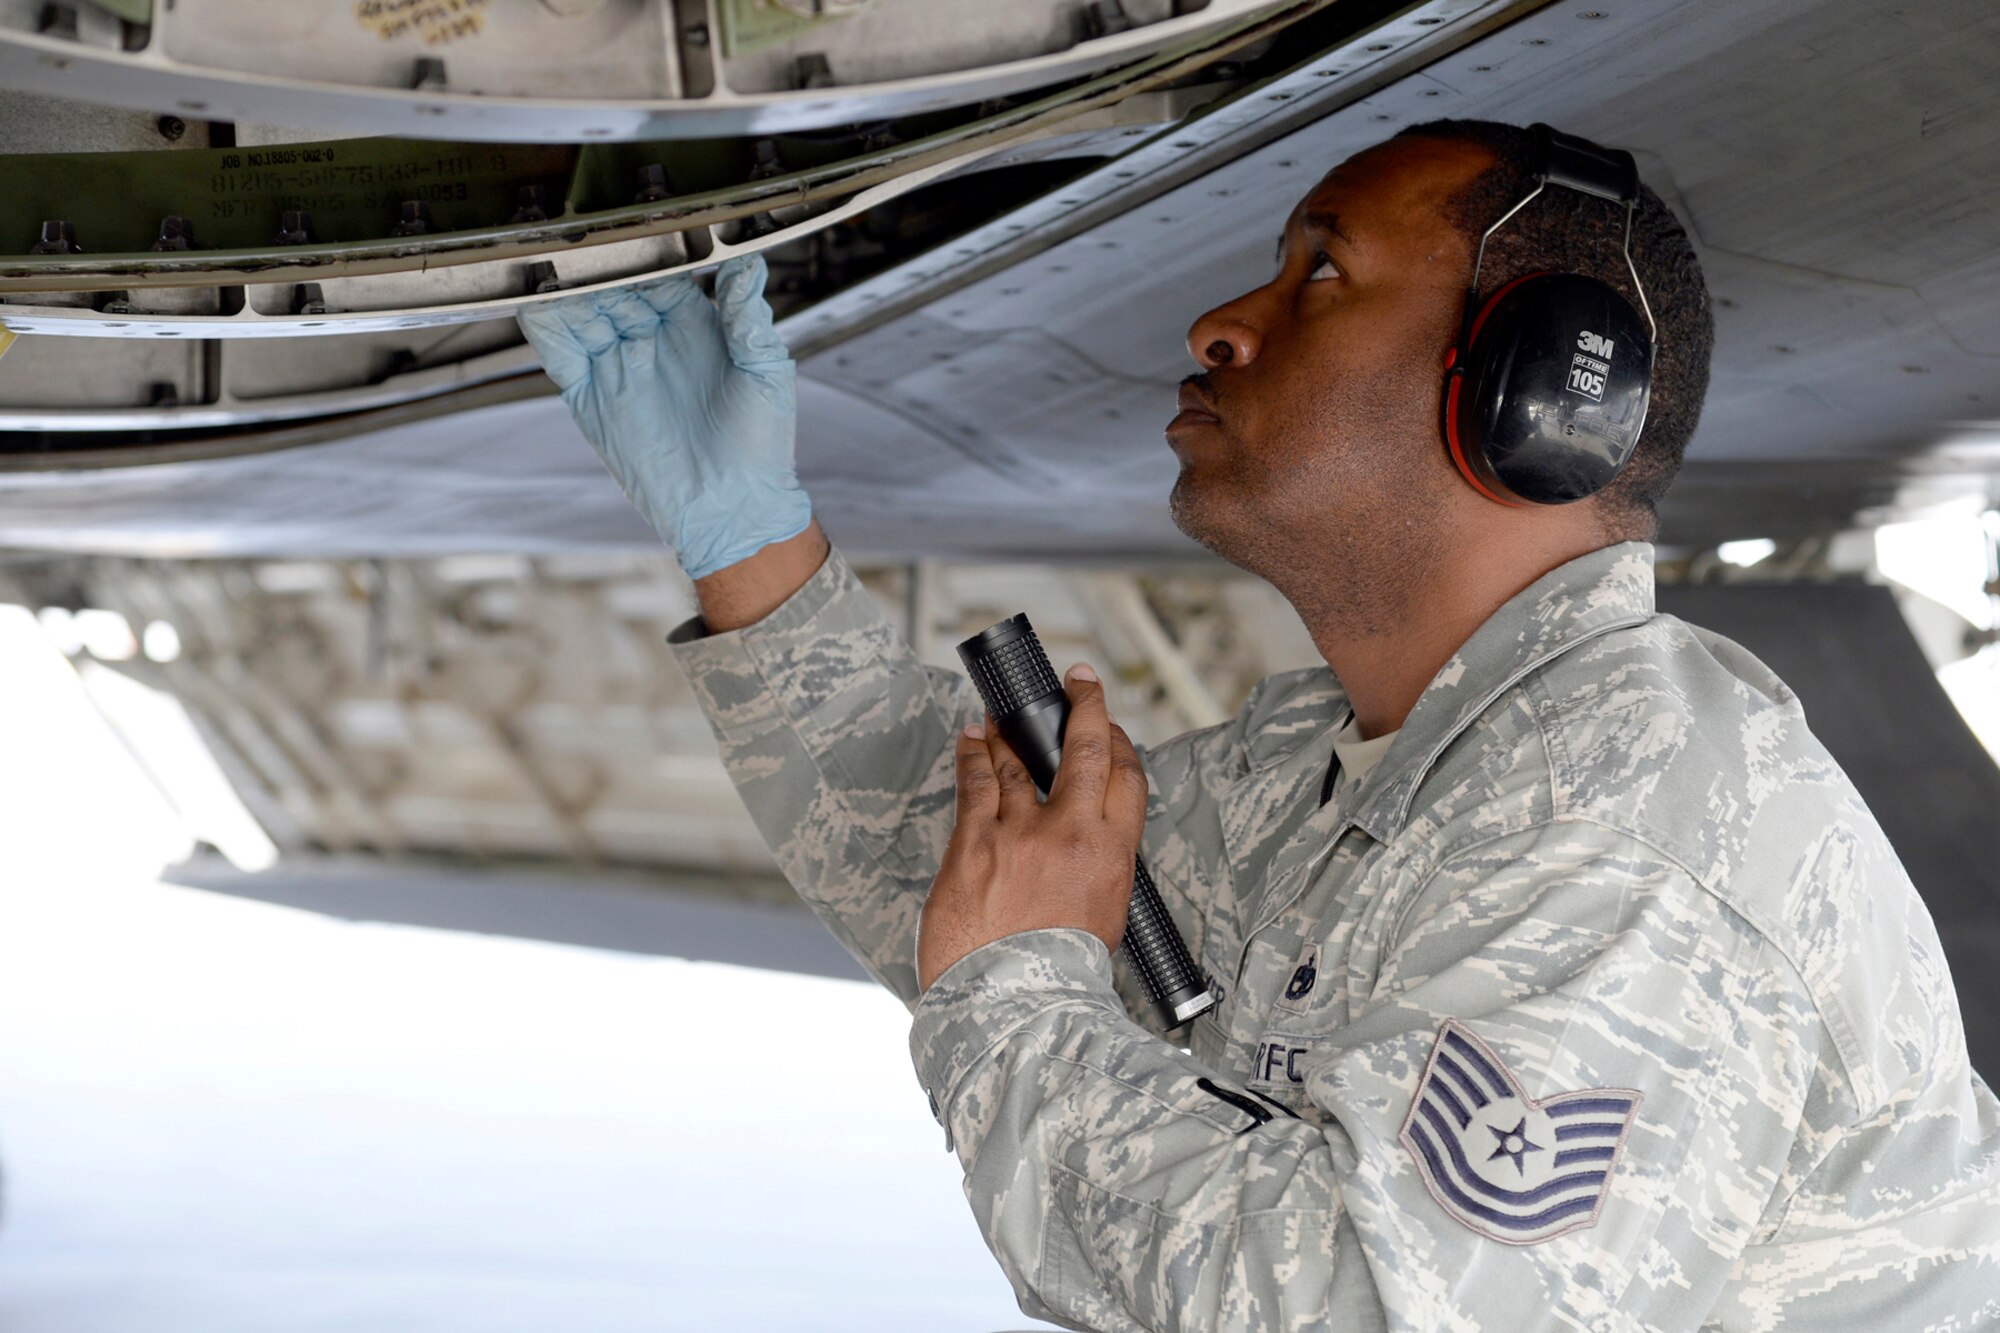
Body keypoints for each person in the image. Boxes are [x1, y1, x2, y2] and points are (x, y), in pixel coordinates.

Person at [518, 119, 2000, 1330]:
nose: (1221, 326)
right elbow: (968, 893)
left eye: (1320, 276)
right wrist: (749, 544)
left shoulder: (1629, 824)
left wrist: (1018, 998)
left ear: (1532, 392)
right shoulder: (1365, 770)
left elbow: (1352, 1302)